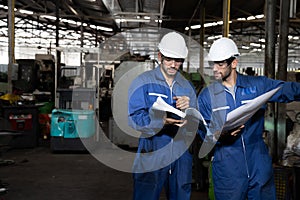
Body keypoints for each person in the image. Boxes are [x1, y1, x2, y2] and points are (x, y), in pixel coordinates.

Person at [197, 37, 300, 200]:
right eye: (213, 64)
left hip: (258, 160)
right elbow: (203, 134)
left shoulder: (257, 86)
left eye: (221, 64)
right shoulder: (206, 97)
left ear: (234, 63)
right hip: (227, 164)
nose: (215, 69)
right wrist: (220, 135)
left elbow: (288, 89)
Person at [128, 31, 198, 200]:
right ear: (160, 56)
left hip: (181, 152)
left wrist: (190, 109)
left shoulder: (186, 86)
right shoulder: (143, 82)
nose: (173, 65)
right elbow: (134, 118)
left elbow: (197, 121)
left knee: (180, 195)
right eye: (169, 59)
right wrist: (160, 121)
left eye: (178, 61)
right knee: (146, 195)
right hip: (152, 149)